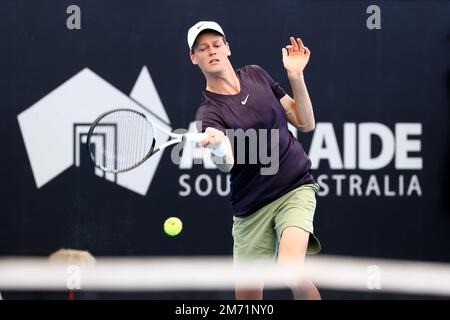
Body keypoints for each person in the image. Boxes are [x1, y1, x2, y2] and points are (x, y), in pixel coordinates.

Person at [188, 21, 321, 300]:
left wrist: (296, 76)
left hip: (294, 188)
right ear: (194, 58)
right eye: (202, 48)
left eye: (216, 44)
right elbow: (226, 163)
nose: (211, 51)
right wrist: (219, 145)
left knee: (290, 268)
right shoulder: (208, 113)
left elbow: (304, 122)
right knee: (247, 300)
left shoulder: (256, 75)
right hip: (251, 209)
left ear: (227, 47)